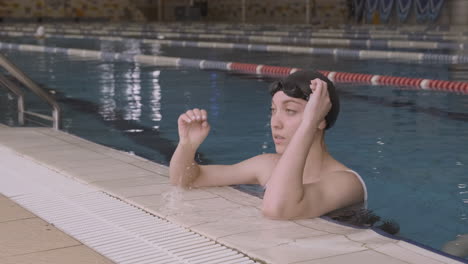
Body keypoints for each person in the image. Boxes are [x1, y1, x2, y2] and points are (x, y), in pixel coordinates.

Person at [169, 70, 367, 220]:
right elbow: (186, 179)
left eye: (290, 111)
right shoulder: (268, 166)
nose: (275, 122)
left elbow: (278, 209)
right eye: (273, 111)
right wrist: (187, 145)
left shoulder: (347, 183)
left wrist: (309, 122)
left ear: (321, 119)